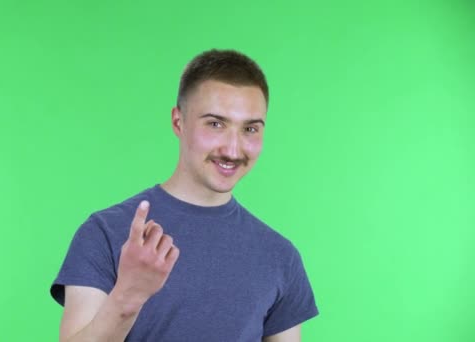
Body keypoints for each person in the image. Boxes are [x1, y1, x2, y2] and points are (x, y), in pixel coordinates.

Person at [50, 49, 319, 342]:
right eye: (215, 124)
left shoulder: (280, 257)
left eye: (250, 129)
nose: (232, 150)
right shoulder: (105, 233)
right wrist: (129, 295)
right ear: (179, 122)